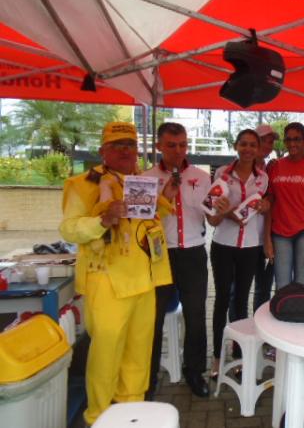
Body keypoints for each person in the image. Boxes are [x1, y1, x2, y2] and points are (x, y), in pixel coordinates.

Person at [59, 122, 175, 425]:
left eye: (131, 145)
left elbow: (154, 216)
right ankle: (98, 417)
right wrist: (102, 220)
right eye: (118, 144)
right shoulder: (82, 184)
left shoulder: (141, 182)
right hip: (107, 280)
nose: (126, 150)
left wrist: (165, 197)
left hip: (145, 279)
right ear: (103, 151)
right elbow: (69, 228)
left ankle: (131, 414)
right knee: (106, 355)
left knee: (138, 356)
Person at [144, 122, 228, 398]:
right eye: (171, 145)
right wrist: (162, 195)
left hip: (192, 251)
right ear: (158, 146)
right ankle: (149, 377)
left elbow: (211, 218)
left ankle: (194, 372)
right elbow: (140, 221)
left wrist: (221, 213)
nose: (178, 150)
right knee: (152, 319)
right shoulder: (146, 178)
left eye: (182, 144)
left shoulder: (201, 177)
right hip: (159, 255)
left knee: (195, 315)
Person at [209, 129, 270, 378]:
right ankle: (215, 356)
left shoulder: (263, 178)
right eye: (243, 144)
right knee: (222, 299)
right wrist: (227, 212)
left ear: (258, 149)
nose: (247, 149)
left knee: (241, 300)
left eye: (252, 145)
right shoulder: (222, 174)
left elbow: (262, 208)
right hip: (223, 243)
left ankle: (238, 353)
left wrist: (265, 207)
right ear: (236, 146)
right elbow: (212, 219)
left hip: (250, 247)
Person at [264, 122, 304, 289]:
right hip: (279, 233)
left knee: (301, 283)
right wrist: (267, 239)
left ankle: (297, 314)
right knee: (282, 284)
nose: (293, 143)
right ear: (284, 142)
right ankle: (281, 315)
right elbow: (269, 203)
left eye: (297, 139)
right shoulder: (275, 166)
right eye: (289, 139)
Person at [251, 124, 278, 311]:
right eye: (264, 141)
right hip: (243, 240)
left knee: (263, 288)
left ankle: (259, 331)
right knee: (237, 289)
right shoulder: (237, 169)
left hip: (268, 236)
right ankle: (238, 335)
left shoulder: (272, 168)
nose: (268, 145)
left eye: (271, 141)